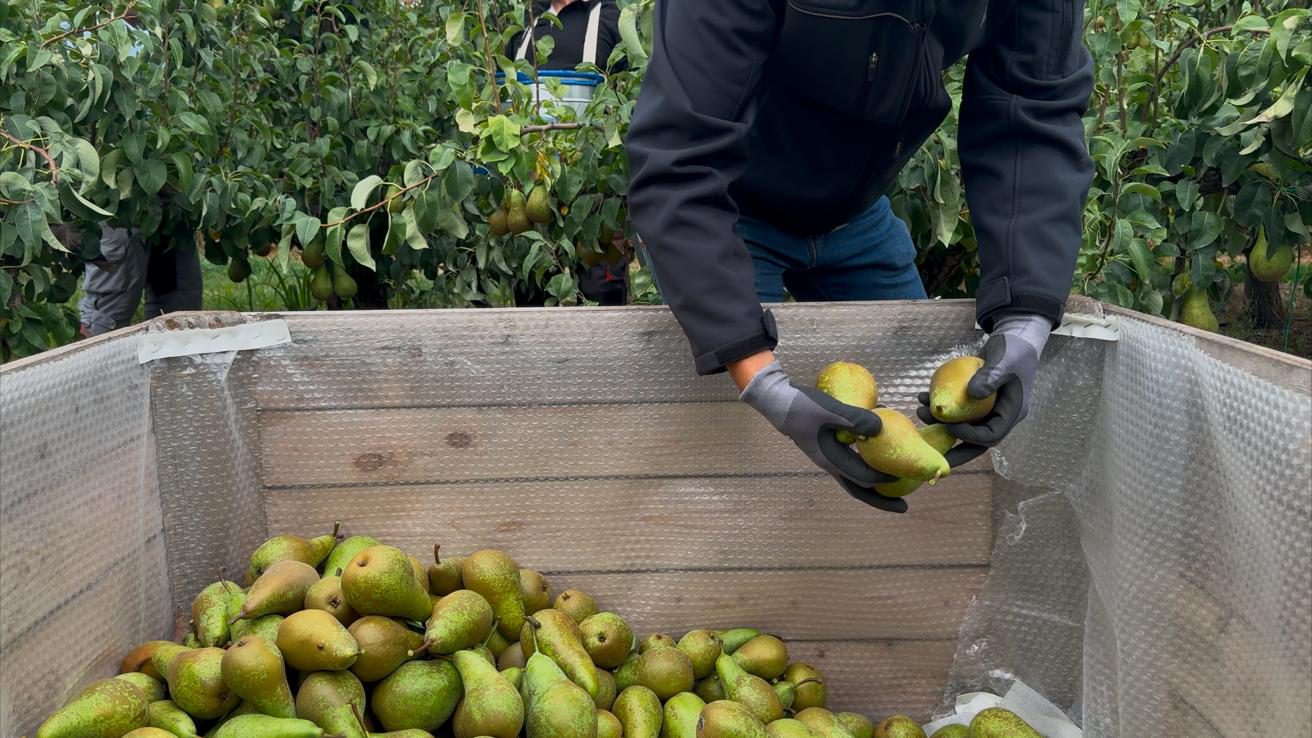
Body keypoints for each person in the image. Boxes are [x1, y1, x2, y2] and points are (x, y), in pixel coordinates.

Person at [625, 0, 1094, 513]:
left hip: (857, 214)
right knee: (738, 451)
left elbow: (1032, 105)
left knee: (907, 411)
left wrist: (1026, 318)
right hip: (727, 212)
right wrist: (760, 381)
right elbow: (681, 153)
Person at [509, 0, 630, 306]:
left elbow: (634, 104)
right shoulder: (525, 28)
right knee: (531, 316)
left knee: (600, 318)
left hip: (594, 211)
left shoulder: (612, 19)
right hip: (533, 215)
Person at [79, 221, 202, 336]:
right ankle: (83, 351)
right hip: (121, 219)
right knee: (105, 319)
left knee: (179, 319)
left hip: (173, 219)